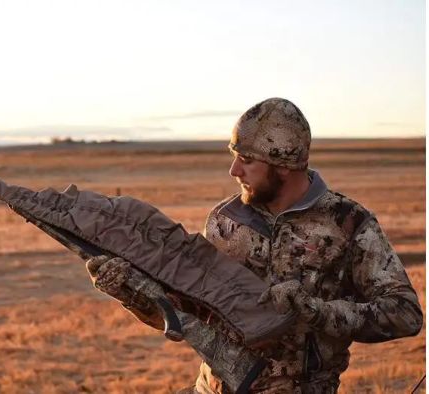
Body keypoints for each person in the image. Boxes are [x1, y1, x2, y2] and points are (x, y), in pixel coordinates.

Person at [86, 97, 423, 393]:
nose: (234, 170)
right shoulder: (224, 220)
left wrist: (314, 309)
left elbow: (405, 315)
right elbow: (188, 313)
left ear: (284, 166)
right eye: (234, 155)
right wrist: (132, 294)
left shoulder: (348, 224)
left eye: (246, 159)